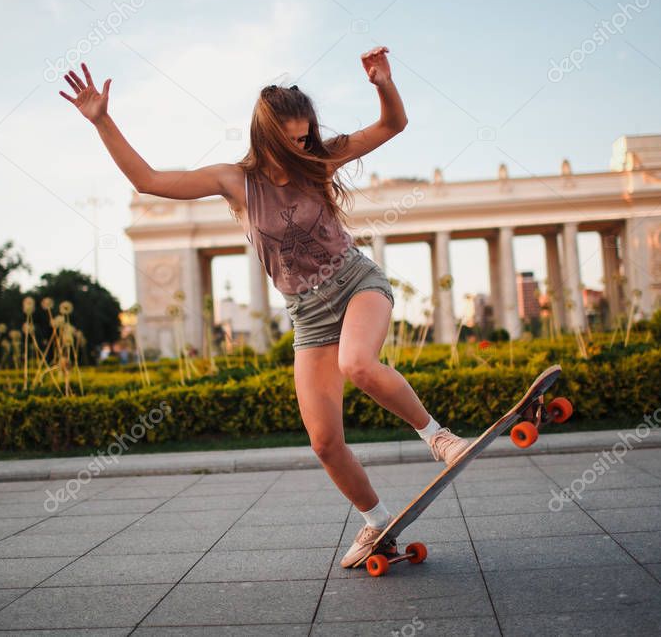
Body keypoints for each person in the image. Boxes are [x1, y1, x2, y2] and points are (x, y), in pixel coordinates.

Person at [59, 48, 471, 568]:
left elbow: (393, 123)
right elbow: (149, 181)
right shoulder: (235, 182)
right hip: (308, 314)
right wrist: (102, 121)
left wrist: (383, 83)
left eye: (305, 136)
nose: (300, 146)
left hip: (354, 282)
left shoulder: (319, 159)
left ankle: (439, 439)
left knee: (359, 364)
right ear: (265, 133)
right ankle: (376, 523)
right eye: (291, 139)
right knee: (324, 443)